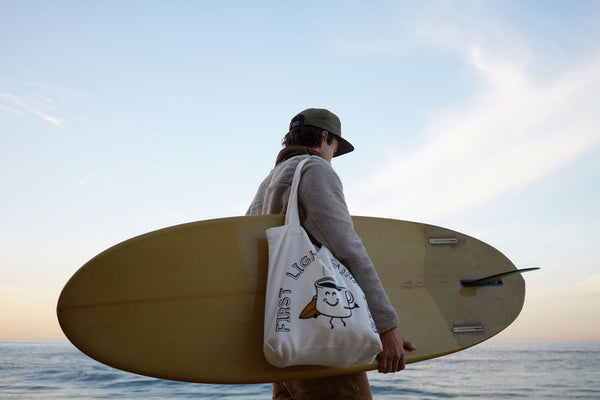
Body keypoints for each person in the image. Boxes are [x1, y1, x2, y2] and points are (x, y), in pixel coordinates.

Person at [247, 108, 416, 400]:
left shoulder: (269, 181)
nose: (332, 157)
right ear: (325, 137)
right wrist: (387, 326)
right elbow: (348, 248)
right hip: (324, 346)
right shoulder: (315, 169)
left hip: (285, 346)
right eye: (334, 149)